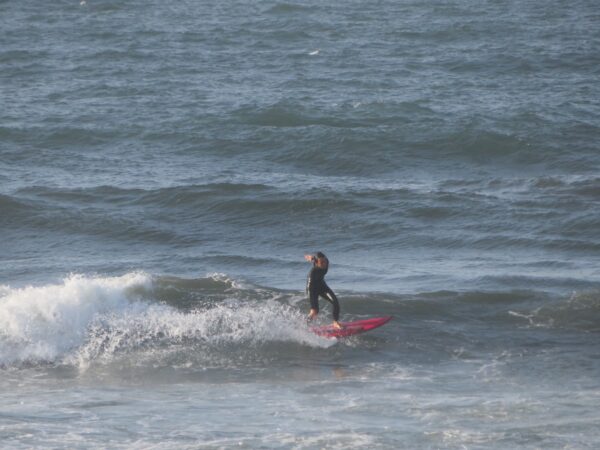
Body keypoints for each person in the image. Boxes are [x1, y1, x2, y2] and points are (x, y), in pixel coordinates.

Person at [304, 251, 342, 329]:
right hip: (312, 288)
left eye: (324, 261)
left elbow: (316, 259)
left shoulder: (325, 261)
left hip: (321, 285)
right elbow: (310, 286)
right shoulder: (313, 272)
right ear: (317, 263)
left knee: (335, 302)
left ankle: (335, 322)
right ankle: (306, 326)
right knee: (315, 311)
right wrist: (311, 259)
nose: (324, 264)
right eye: (321, 262)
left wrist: (313, 258)